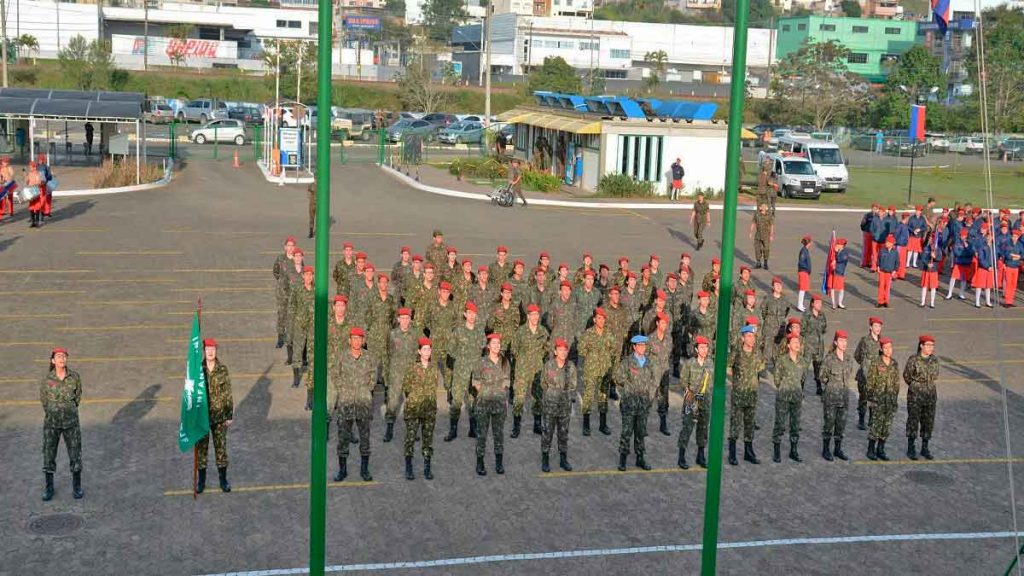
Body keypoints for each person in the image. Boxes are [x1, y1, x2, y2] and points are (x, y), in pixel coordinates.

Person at [328, 327, 377, 482]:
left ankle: (364, 470)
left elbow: (373, 377)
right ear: (349, 340)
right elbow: (335, 374)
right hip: (346, 404)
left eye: (359, 338)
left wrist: (365, 390)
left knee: (365, 438)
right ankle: (342, 470)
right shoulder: (341, 357)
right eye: (354, 338)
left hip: (363, 403)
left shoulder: (369, 358)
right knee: (343, 438)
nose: (356, 341)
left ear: (363, 341)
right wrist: (344, 389)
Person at [40, 347, 83, 501]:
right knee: (48, 454)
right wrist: (54, 411)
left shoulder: (74, 377)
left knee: (75, 454)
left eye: (64, 356)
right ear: (53, 360)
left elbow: (77, 396)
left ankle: (77, 487)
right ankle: (49, 488)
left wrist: (69, 410)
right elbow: (44, 400)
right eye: (58, 356)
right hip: (52, 423)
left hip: (71, 423)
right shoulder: (47, 380)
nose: (62, 359)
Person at [196, 339, 234, 493]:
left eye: (213, 349)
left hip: (219, 417)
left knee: (221, 449)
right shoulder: (197, 370)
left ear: (216, 350)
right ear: (203, 351)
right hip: (202, 418)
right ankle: (201, 482)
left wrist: (229, 414)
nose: (210, 352)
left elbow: (227, 393)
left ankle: (223, 480)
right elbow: (191, 394)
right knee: (201, 450)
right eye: (207, 349)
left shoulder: (222, 369)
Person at [615, 334, 657, 471]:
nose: (642, 348)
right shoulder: (627, 362)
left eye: (644, 345)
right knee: (627, 431)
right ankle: (623, 459)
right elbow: (618, 378)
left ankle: (640, 458)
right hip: (629, 404)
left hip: (643, 405)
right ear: (634, 347)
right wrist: (628, 389)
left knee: (641, 432)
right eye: (639, 345)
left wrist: (650, 397)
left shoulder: (649, 363)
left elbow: (653, 381)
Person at [402, 337, 442, 480]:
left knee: (428, 439)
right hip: (413, 408)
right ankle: (409, 468)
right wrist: (415, 398)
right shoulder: (412, 368)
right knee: (410, 439)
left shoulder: (434, 369)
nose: (427, 352)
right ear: (419, 351)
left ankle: (427, 468)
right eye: (424, 349)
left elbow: (435, 387)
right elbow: (406, 387)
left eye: (429, 349)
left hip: (429, 409)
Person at [472, 333, 511, 476]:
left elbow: (507, 382)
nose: (496, 346)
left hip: (499, 405)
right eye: (493, 343)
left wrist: (499, 392)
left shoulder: (505, 362)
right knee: (482, 434)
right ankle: (480, 462)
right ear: (488, 346)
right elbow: (475, 381)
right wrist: (485, 392)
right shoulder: (481, 362)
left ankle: (499, 463)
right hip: (484, 403)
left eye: (498, 343)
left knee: (498, 434)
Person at [447, 301, 486, 441]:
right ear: (465, 314)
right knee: (456, 399)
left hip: (474, 371)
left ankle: (473, 429)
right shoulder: (458, 331)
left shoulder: (480, 331)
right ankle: (453, 430)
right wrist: (461, 358)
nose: (471, 316)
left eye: (473, 314)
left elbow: (483, 347)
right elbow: (450, 348)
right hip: (460, 370)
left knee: (473, 399)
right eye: (469, 313)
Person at [728, 324, 765, 465]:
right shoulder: (736, 353)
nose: (751, 339)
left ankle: (748, 452)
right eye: (749, 336)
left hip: (752, 394)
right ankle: (732, 453)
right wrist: (737, 381)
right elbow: (728, 367)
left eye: (753, 336)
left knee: (749, 424)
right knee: (735, 424)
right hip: (738, 394)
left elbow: (760, 368)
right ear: (743, 338)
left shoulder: (757, 353)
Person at [577, 307, 618, 436]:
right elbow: (581, 350)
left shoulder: (609, 334)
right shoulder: (588, 334)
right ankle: (586, 425)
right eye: (599, 318)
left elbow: (614, 351)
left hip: (605, 370)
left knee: (603, 397)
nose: (601, 321)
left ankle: (602, 424)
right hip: (591, 370)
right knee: (588, 396)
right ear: (594, 319)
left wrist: (608, 364)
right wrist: (592, 358)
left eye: (603, 318)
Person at [511, 304, 550, 438]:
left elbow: (547, 348)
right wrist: (523, 359)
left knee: (538, 397)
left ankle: (537, 425)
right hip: (522, 369)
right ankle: (516, 426)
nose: (535, 317)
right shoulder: (520, 332)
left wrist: (538, 358)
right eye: (532, 315)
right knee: (519, 397)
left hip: (537, 368)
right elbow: (514, 349)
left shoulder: (543, 331)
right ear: (528, 316)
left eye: (537, 315)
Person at [540, 338, 577, 473]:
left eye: (565, 350)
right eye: (560, 350)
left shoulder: (571, 367)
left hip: (564, 407)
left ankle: (563, 459)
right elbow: (542, 383)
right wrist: (553, 392)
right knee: (547, 433)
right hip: (550, 406)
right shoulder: (548, 365)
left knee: (563, 434)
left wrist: (558, 388)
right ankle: (545, 459)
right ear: (555, 351)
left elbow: (573, 384)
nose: (563, 352)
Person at [678, 335, 713, 469]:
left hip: (705, 400)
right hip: (691, 400)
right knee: (687, 427)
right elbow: (682, 380)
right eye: (702, 347)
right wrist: (687, 391)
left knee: (703, 429)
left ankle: (700, 455)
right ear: (696, 349)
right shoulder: (690, 363)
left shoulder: (710, 364)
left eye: (706, 347)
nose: (704, 350)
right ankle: (681, 456)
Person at [819, 330, 853, 461]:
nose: (844, 343)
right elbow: (822, 377)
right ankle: (826, 449)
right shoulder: (829, 359)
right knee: (829, 424)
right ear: (835, 342)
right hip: (831, 398)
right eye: (841, 341)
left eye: (845, 341)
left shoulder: (848, 359)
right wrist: (832, 386)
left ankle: (837, 449)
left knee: (841, 425)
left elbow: (849, 374)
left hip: (844, 398)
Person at [772, 333, 807, 463]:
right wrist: (784, 387)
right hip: (783, 397)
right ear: (788, 345)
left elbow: (803, 378)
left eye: (798, 342)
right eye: (794, 342)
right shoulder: (782, 360)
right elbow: (776, 379)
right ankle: (776, 450)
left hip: (797, 397)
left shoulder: (802, 361)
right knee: (780, 424)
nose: (797, 344)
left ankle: (794, 450)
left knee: (795, 425)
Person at [384, 308, 417, 442]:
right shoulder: (392, 334)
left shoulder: (414, 334)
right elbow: (388, 352)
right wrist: (388, 373)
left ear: (410, 320)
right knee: (392, 401)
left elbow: (417, 354)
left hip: (410, 372)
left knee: (412, 402)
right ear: (398, 319)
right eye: (402, 318)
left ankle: (412, 429)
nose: (404, 321)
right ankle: (389, 428)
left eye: (407, 318)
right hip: (396, 372)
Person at [904, 335, 939, 461]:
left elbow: (935, 376)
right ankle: (911, 447)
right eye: (928, 345)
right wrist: (916, 386)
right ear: (921, 346)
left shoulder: (934, 360)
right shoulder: (913, 360)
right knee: (913, 421)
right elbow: (907, 376)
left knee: (928, 422)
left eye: (932, 346)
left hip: (930, 396)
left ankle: (925, 447)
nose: (931, 348)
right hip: (915, 397)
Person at [865, 337, 899, 461]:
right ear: (881, 349)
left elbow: (896, 383)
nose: (888, 350)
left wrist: (895, 399)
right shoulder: (876, 363)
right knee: (876, 426)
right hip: (878, 400)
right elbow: (870, 382)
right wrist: (871, 399)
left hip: (889, 401)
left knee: (886, 426)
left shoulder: (894, 364)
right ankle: (870, 449)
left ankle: (881, 449)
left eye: (890, 347)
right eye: (885, 348)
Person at [647, 312, 674, 436]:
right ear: (657, 323)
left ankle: (663, 424)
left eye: (666, 323)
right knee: (649, 399)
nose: (664, 325)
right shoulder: (650, 339)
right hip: (653, 375)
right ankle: (643, 425)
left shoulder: (669, 338)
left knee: (664, 400)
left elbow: (668, 354)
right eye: (662, 322)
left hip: (664, 374)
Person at [854, 316, 883, 431]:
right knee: (864, 398)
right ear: (870, 327)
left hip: (877, 376)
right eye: (875, 326)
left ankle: (871, 419)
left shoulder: (882, 342)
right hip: (864, 376)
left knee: (874, 399)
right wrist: (865, 365)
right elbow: (857, 355)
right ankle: (861, 419)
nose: (878, 328)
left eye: (879, 326)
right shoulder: (865, 340)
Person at [288, 265, 315, 388]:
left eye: (311, 274)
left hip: (312, 325)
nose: (309, 277)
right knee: (297, 351)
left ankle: (311, 377)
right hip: (299, 324)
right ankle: (296, 378)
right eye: (306, 274)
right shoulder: (298, 289)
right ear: (303, 276)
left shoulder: (316, 290)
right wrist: (292, 322)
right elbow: (292, 305)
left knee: (311, 351)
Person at [272, 236, 298, 348]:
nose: (290, 248)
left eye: (292, 246)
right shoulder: (280, 259)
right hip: (282, 292)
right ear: (285, 247)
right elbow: (275, 271)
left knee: (292, 314)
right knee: (281, 314)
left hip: (293, 292)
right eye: (289, 246)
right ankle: (280, 338)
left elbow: (300, 273)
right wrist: (282, 282)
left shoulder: (297, 259)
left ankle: (291, 338)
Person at [802, 295, 827, 394]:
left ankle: (819, 386)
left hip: (819, 345)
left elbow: (824, 328)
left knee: (818, 367)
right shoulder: (807, 315)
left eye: (820, 303)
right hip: (808, 345)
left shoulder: (822, 315)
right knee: (804, 367)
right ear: (812, 304)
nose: (819, 305)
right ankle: (801, 388)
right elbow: (802, 330)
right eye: (817, 303)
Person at [919, 230, 940, 308]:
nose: (931, 240)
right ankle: (922, 302)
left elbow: (939, 258)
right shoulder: (926, 248)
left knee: (933, 287)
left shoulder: (937, 249)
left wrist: (935, 257)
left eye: (932, 239)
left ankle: (932, 303)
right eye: (930, 239)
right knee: (924, 286)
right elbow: (923, 258)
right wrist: (927, 264)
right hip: (926, 270)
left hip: (934, 270)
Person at [750, 203, 775, 269]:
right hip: (758, 234)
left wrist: (771, 235)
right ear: (760, 207)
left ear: (766, 208)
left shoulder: (769, 215)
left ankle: (765, 263)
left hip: (766, 235)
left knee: (766, 249)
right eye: (762, 206)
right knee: (757, 249)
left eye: (764, 206)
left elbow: (771, 225)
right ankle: (758, 263)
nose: (763, 208)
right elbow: (753, 223)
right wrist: (751, 232)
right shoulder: (757, 214)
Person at [876, 234, 898, 308]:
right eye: (886, 242)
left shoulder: (895, 252)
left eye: (888, 242)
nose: (886, 244)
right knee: (881, 286)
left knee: (887, 287)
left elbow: (897, 262)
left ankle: (886, 301)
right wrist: (878, 266)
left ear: (892, 244)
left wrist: (895, 270)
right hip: (882, 270)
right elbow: (878, 259)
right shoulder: (882, 250)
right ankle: (880, 301)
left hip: (889, 272)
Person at [1002, 228, 1022, 307]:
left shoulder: (1020, 245)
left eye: (1016, 236)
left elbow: (1022, 254)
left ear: (1018, 237)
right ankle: (1007, 301)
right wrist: (1014, 257)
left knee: (1013, 284)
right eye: (1013, 236)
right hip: (1009, 265)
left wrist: (1018, 256)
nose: (1014, 238)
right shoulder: (1007, 244)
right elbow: (1006, 254)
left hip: (1016, 267)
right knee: (1008, 283)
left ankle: (1011, 300)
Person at [829, 238, 849, 309]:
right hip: (834, 271)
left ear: (841, 245)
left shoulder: (845, 253)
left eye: (838, 244)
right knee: (832, 288)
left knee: (841, 289)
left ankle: (840, 303)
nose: (836, 245)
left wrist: (836, 253)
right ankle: (834, 303)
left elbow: (841, 259)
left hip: (839, 272)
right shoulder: (837, 252)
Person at [26, 160, 45, 228]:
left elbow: (39, 182)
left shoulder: (38, 173)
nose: (29, 168)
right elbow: (27, 182)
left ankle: (37, 222)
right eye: (29, 167)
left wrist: (33, 184)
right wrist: (26, 178)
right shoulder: (29, 173)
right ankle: (33, 222)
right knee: (31, 207)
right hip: (31, 192)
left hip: (36, 191)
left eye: (30, 167)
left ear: (34, 167)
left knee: (37, 207)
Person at [796, 235, 812, 311]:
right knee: (802, 289)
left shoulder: (805, 250)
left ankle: (801, 304)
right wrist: (807, 269)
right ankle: (799, 305)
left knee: (803, 289)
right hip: (803, 271)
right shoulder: (804, 251)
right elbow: (801, 262)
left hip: (804, 271)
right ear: (808, 243)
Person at [0, 155, 15, 223]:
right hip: (2, 185)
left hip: (9, 184)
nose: (6, 163)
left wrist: (8, 179)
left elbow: (12, 175)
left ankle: (10, 211)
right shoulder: (0, 168)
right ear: (2, 162)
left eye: (7, 162)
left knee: (10, 198)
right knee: (2, 199)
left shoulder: (9, 168)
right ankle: (2, 211)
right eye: (4, 162)